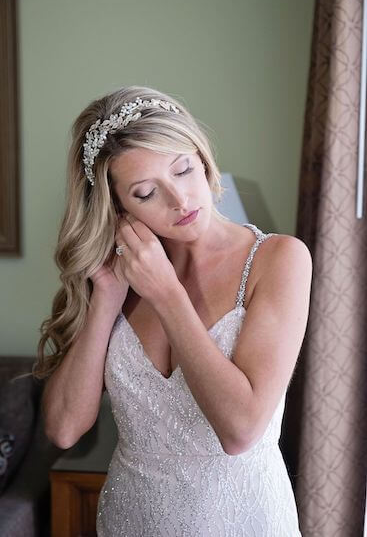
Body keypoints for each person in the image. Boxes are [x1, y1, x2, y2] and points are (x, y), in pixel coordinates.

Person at [37, 85, 312, 536]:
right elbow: (64, 430)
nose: (180, 200)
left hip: (244, 522)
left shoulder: (279, 260)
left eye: (183, 170)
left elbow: (241, 430)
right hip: (130, 519)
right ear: (118, 206)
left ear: (203, 159)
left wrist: (166, 294)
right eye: (146, 193)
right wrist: (105, 300)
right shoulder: (116, 275)